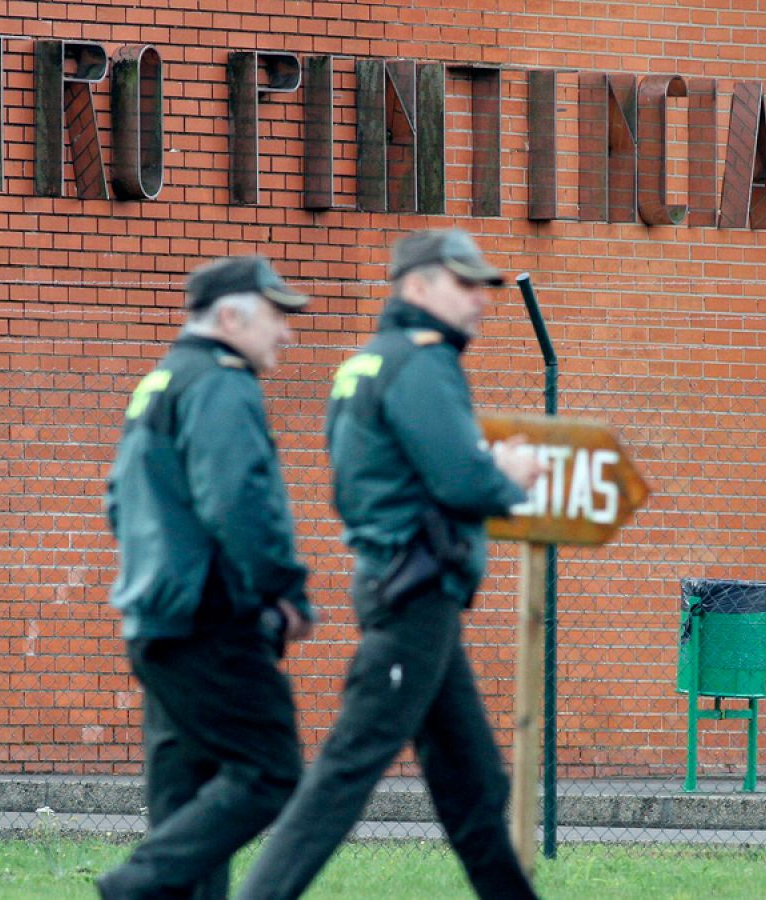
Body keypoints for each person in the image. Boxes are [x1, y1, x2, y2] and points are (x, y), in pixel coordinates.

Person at [236, 229, 545, 900]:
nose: (478, 300)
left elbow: (366, 481)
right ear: (416, 287)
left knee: (476, 782)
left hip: (401, 587)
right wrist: (510, 472)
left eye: (481, 286)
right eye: (462, 285)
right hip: (416, 594)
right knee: (345, 773)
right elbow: (461, 479)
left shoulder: (367, 363)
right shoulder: (424, 364)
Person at [97, 255, 317, 900]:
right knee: (269, 771)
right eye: (275, 316)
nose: (286, 333)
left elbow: (119, 499)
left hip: (159, 620)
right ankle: (135, 886)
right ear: (229, 316)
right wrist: (284, 587)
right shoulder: (223, 383)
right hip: (213, 622)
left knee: (187, 798)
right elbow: (239, 499)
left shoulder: (162, 382)